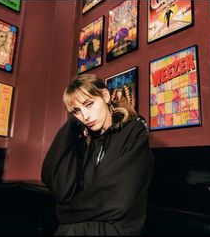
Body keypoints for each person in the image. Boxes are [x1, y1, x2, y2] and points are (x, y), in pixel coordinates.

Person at [41, 74, 154, 236]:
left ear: (105, 96)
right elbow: (60, 187)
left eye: (89, 104)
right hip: (78, 227)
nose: (85, 116)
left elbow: (117, 201)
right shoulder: (86, 140)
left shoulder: (134, 133)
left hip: (115, 229)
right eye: (77, 111)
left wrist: (65, 212)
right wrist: (72, 125)